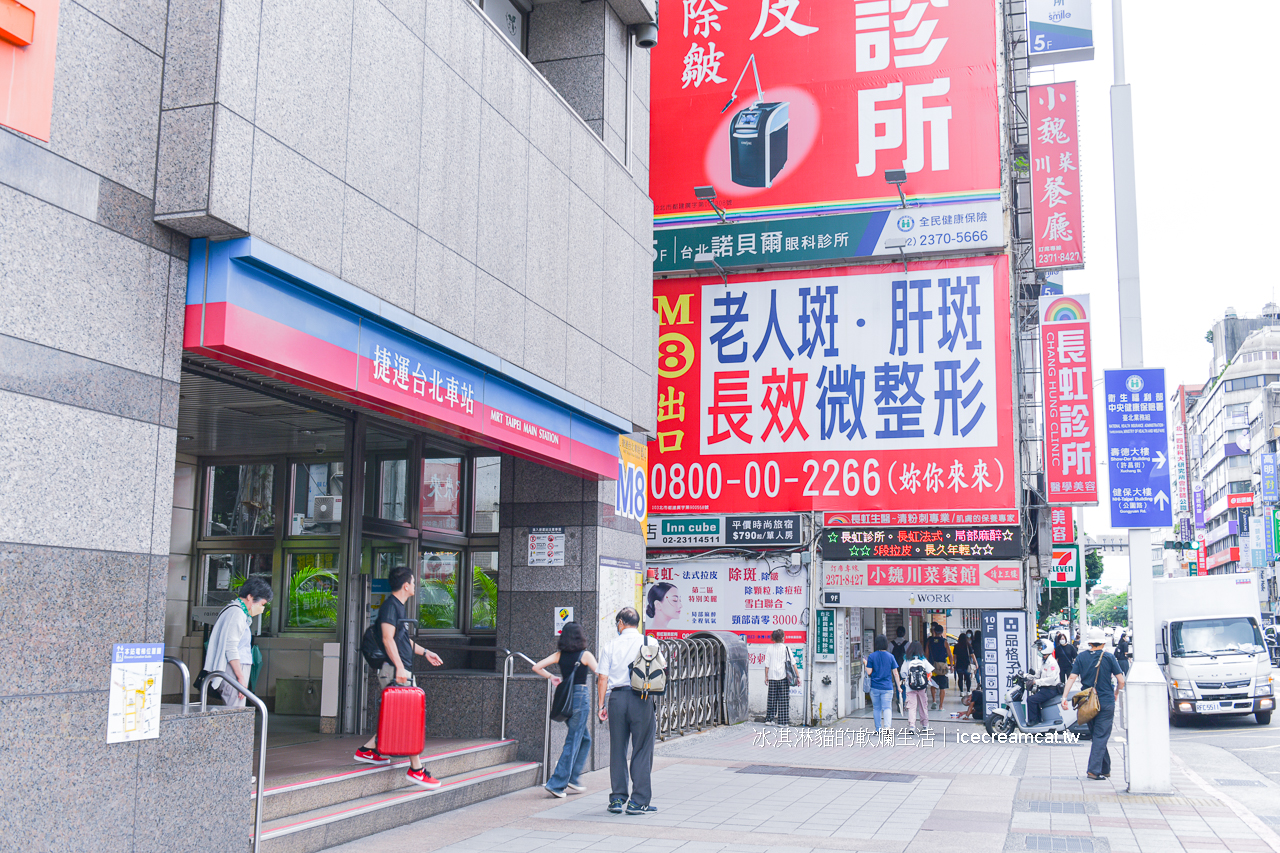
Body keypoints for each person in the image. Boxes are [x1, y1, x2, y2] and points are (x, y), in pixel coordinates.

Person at [353, 566, 445, 790]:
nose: (415, 585)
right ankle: (416, 770)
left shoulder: (397, 608)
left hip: (398, 668)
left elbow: (401, 640)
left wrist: (425, 652)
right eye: (414, 582)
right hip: (395, 670)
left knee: (399, 716)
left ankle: (367, 750)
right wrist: (400, 668)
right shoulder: (390, 607)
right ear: (406, 585)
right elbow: (387, 639)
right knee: (409, 717)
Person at [597, 607, 658, 815]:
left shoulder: (610, 645)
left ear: (621, 623)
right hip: (642, 698)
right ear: (637, 623)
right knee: (642, 748)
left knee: (618, 748)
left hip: (617, 699)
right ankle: (638, 801)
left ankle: (617, 799)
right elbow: (661, 669)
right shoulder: (649, 642)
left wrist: (601, 705)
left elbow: (602, 677)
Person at [533, 622, 599, 798]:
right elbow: (601, 673)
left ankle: (573, 778)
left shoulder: (559, 655)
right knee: (573, 741)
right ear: (580, 636)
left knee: (585, 739)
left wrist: (552, 677)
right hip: (579, 697)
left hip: (565, 699)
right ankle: (557, 783)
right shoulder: (585, 655)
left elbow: (536, 667)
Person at [1061, 626, 1125, 780]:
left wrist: (1064, 698)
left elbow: (1071, 678)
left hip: (1087, 702)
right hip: (1105, 701)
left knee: (1097, 736)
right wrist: (1116, 693)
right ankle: (1093, 771)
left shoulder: (1082, 657)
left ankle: (1105, 768)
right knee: (1101, 736)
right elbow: (1121, 681)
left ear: (1090, 643)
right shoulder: (1109, 657)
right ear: (1103, 643)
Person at [203, 576, 273, 707]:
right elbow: (231, 647)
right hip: (234, 670)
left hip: (234, 669)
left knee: (235, 711)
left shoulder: (236, 611)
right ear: (250, 597)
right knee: (235, 711)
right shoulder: (237, 613)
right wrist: (240, 677)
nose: (261, 608)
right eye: (262, 604)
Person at [864, 635, 900, 732]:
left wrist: (865, 663)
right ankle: (887, 727)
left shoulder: (872, 656)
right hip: (887, 687)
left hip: (875, 687)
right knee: (887, 707)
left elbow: (869, 672)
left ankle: (878, 729)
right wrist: (899, 687)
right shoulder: (890, 656)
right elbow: (895, 673)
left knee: (876, 708)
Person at [1026, 640, 1062, 725]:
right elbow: (1038, 674)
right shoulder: (1044, 661)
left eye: (1041, 648)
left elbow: (1051, 679)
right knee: (1035, 700)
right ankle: (1038, 721)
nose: (1039, 649)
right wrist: (1028, 676)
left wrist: (1036, 682)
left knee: (1031, 700)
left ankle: (1034, 720)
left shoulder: (1052, 663)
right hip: (1044, 689)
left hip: (1050, 689)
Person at [899, 641, 932, 733]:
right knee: (923, 705)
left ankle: (912, 726)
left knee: (912, 707)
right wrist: (925, 680)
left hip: (910, 687)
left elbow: (902, 673)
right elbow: (930, 672)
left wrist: (907, 679)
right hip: (922, 687)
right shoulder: (923, 660)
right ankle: (925, 725)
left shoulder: (907, 660)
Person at [763, 629, 792, 726]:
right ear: (783, 638)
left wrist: (766, 676)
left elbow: (767, 664)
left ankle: (769, 719)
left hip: (772, 676)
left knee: (771, 698)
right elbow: (793, 663)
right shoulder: (786, 648)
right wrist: (798, 676)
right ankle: (782, 722)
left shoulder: (769, 648)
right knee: (783, 699)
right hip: (783, 676)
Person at [925, 622, 950, 711]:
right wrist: (952, 665)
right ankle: (941, 706)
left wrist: (927, 665)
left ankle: (934, 701)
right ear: (942, 632)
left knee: (933, 685)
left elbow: (926, 654)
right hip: (942, 667)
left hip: (932, 667)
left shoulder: (929, 641)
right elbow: (950, 654)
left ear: (934, 631)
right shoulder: (945, 642)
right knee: (942, 687)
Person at [889, 626, 908, 710]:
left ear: (896, 633)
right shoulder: (907, 644)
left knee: (897, 684)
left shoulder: (891, 644)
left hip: (894, 668)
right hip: (904, 668)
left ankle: (898, 698)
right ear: (904, 634)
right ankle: (903, 701)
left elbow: (888, 656)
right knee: (904, 685)